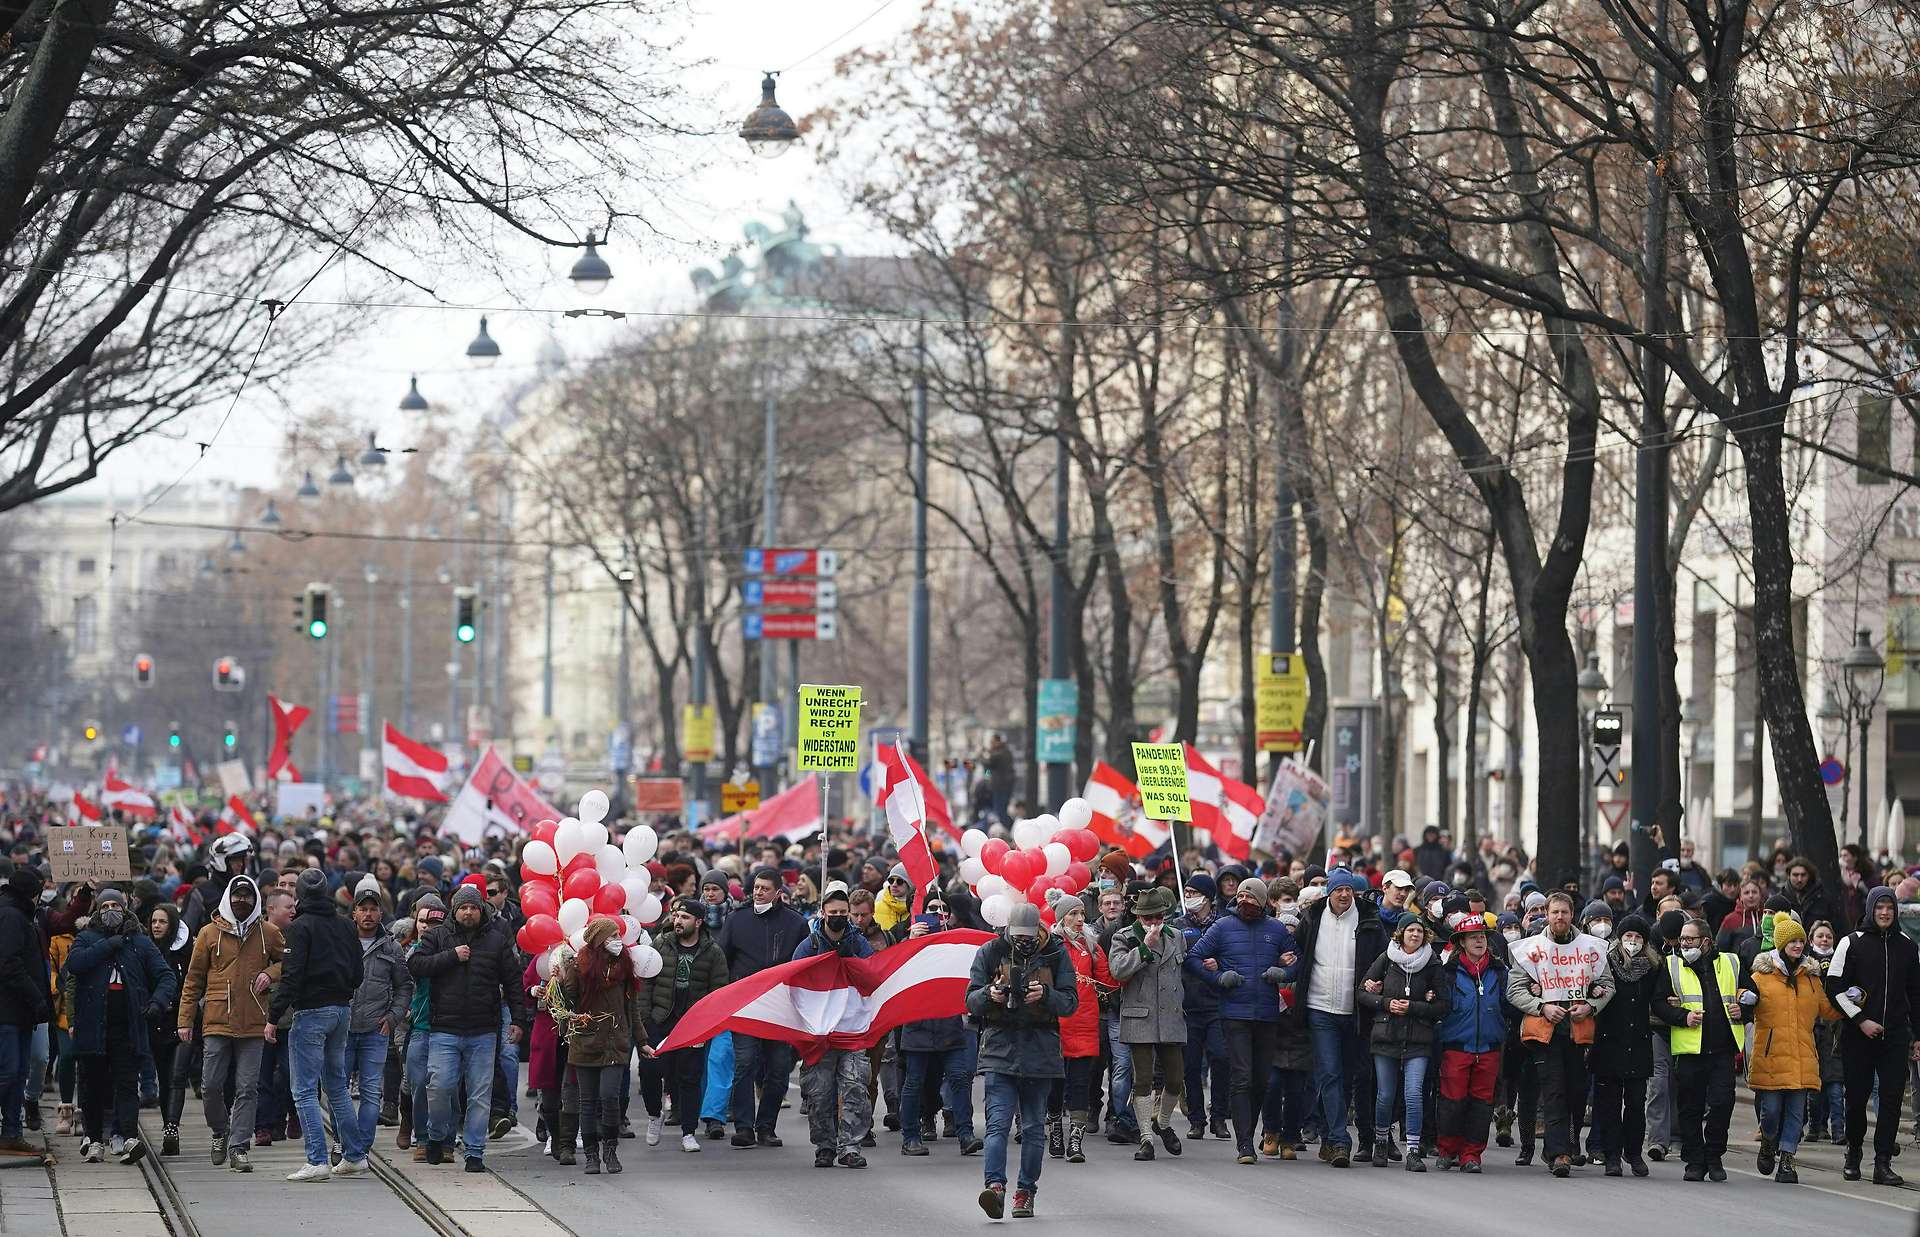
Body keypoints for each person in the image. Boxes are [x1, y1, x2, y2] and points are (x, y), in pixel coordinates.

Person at [966, 900, 1075, 1219]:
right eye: (1018, 936)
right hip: (1000, 1048)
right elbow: (970, 999)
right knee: (996, 1125)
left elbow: (1070, 1002)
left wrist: (1046, 995)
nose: (1023, 941)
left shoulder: (1056, 953)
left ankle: (1026, 1191)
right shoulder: (989, 952)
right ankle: (995, 1188)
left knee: (1032, 1127)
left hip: (1040, 1050)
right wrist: (991, 994)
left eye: (1029, 936)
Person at [408, 882, 524, 1172]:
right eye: (463, 908)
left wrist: (519, 1020)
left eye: (473, 907)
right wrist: (451, 956)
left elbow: (513, 982)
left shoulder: (496, 940)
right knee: (439, 1086)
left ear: (481, 909)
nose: (468, 913)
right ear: (454, 910)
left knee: (479, 1094)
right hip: (444, 1028)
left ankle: (474, 1151)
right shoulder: (438, 936)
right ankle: (436, 1134)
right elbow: (417, 965)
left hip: (483, 1030)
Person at [1190, 875, 1299, 1165]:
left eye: (1250, 897)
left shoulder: (1275, 930)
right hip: (1234, 1014)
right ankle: (1244, 1145)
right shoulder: (1223, 926)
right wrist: (1218, 978)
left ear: (1262, 901)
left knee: (1261, 1080)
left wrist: (1284, 974)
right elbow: (1193, 957)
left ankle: (1249, 1133)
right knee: (1242, 1078)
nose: (1244, 901)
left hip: (1267, 1015)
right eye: (1240, 896)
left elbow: (1298, 961)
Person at [1505, 890, 1613, 1179]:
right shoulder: (1531, 949)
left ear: (1572, 915)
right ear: (1547, 915)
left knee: (1577, 1092)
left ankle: (1568, 1141)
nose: (1560, 917)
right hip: (1546, 1033)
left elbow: (1607, 985)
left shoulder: (1591, 947)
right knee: (1553, 1091)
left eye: (1565, 912)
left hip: (1578, 1033)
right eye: (1555, 912)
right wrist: (1542, 1007)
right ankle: (1558, 1153)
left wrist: (1590, 1006)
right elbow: (1513, 990)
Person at [178, 874, 281, 1174]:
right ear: (228, 897)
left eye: (247, 897)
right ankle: (220, 1130)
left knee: (247, 1087)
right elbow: (193, 980)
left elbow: (288, 962)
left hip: (253, 1023)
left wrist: (271, 974)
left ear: (255, 900)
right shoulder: (209, 934)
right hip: (217, 1021)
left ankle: (239, 1147)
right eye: (237, 896)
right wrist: (185, 1020)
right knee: (210, 1086)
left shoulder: (269, 933)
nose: (241, 901)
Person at [65, 888, 176, 1165]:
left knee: (127, 1083)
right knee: (93, 1085)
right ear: (98, 911)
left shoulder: (139, 941)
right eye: (106, 906)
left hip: (128, 1026)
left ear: (125, 909)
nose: (111, 910)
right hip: (93, 1026)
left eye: (116, 905)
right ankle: (93, 1139)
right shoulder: (86, 938)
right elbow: (74, 965)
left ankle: (128, 1137)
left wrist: (156, 1004)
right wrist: (108, 944)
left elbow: (165, 976)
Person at [273, 867, 364, 1182]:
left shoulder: (300, 928)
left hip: (311, 1012)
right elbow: (358, 974)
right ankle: (354, 1155)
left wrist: (273, 1016)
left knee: (304, 1090)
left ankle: (316, 1159)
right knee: (337, 1087)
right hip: (341, 1009)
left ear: (299, 895)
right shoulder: (344, 924)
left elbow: (291, 975)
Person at [1825, 885, 1920, 1185]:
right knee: (1856, 1098)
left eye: (1889, 908)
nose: (1884, 913)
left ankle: (1883, 1162)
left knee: (1891, 1100)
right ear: (1870, 909)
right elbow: (1834, 988)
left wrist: (1917, 1035)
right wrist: (1860, 1020)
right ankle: (1853, 1153)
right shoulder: (1851, 943)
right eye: (1879, 907)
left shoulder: (1907, 946)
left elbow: (1916, 994)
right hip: (1858, 1035)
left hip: (1894, 1036)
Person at [1293, 868, 1384, 1167]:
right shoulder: (1313, 918)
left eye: (1349, 890)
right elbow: (1298, 953)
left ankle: (1328, 1135)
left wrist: (1378, 982)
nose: (1344, 895)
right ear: (1328, 893)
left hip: (1356, 1010)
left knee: (1347, 1075)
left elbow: (1384, 960)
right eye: (1338, 890)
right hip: (1320, 1007)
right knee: (1329, 1072)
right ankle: (1340, 1140)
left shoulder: (1369, 920)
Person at [716, 867, 808, 1149]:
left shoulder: (795, 923)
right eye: (756, 887)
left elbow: (803, 963)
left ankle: (766, 1126)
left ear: (778, 893)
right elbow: (723, 958)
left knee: (779, 1067)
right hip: (745, 1005)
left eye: (765, 889)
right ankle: (744, 1126)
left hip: (779, 1006)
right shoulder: (737, 920)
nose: (758, 892)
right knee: (745, 1063)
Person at [1653, 914, 1746, 1182]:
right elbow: (1658, 1003)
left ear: (1705, 941)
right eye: (1682, 939)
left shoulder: (1731, 961)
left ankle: (1714, 1155)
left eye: (1689, 939)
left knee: (1722, 1103)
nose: (1684, 944)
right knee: (1690, 1108)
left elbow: (1750, 993)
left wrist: (1745, 1008)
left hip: (1722, 1049)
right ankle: (1695, 1160)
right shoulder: (1670, 965)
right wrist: (1682, 1016)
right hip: (1690, 1050)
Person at [1746, 913, 1838, 1185]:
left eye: (1801, 940)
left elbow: (1828, 1009)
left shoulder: (1811, 978)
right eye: (1792, 941)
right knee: (1771, 1111)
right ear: (1780, 943)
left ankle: (1787, 1159)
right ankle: (1768, 1141)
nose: (1798, 945)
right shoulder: (1761, 977)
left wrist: (1856, 999)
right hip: (1771, 1056)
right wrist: (1743, 999)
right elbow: (1744, 1002)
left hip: (1802, 1055)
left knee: (1797, 1114)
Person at [791, 884, 875, 1168]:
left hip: (851, 1031)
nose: (838, 916)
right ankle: (824, 1146)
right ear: (823, 913)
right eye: (833, 912)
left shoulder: (859, 944)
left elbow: (871, 978)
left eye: (843, 912)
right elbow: (794, 983)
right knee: (819, 1092)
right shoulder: (808, 946)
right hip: (821, 1034)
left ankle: (850, 1146)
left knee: (854, 1089)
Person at [559, 918, 647, 1176]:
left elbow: (633, 1009)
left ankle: (610, 1149)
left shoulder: (625, 968)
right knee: (588, 1102)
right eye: (611, 937)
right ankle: (591, 1155)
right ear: (599, 942)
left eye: (618, 936)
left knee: (610, 1097)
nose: (617, 941)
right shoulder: (580, 966)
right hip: (586, 1043)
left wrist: (642, 1041)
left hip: (615, 1043)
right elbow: (567, 1000)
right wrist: (560, 980)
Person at [1106, 885, 1187, 1162]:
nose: (1154, 923)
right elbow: (1117, 970)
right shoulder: (1124, 937)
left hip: (1170, 1016)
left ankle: (1162, 1123)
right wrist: (1144, 949)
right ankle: (1146, 1138)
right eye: (1148, 918)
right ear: (1138, 917)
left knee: (1176, 1078)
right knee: (1142, 1079)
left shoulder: (1176, 936)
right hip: (1139, 1015)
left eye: (1158, 918)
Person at [1359, 916, 1446, 1170]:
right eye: (1411, 930)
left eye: (1420, 931)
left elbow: (1443, 1005)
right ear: (1400, 934)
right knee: (1385, 1094)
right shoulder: (1387, 958)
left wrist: (1415, 1006)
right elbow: (1362, 992)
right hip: (1386, 1035)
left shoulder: (1432, 962)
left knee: (1413, 1094)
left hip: (1418, 1037)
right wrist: (1385, 1003)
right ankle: (1381, 1142)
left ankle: (1413, 1150)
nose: (1416, 935)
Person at [647, 895, 728, 1153]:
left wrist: (706, 1024)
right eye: (676, 916)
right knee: (651, 1072)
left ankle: (689, 1132)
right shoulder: (661, 944)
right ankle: (653, 1115)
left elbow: (719, 991)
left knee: (690, 1077)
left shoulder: (713, 952)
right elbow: (646, 982)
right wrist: (646, 1017)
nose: (678, 921)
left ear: (699, 922)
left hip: (692, 1025)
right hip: (660, 1020)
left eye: (685, 917)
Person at [343, 878, 411, 1174]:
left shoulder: (391, 947)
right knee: (338, 1090)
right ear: (354, 913)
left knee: (371, 1092)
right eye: (363, 909)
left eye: (373, 909)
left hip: (375, 1029)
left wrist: (393, 1017)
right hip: (342, 1029)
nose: (368, 914)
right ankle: (345, 1145)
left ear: (381, 914)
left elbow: (404, 987)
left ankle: (360, 1148)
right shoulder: (342, 941)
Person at [1431, 912, 1504, 1172]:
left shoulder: (1498, 971)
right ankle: (1447, 1150)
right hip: (1456, 1047)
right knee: (1452, 1101)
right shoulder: (1448, 973)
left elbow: (1509, 1005)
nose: (1479, 941)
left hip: (1489, 1048)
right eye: (1473, 937)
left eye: (1482, 936)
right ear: (1461, 941)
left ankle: (1471, 1155)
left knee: (1481, 1105)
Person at [1041, 895, 1109, 1164]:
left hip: (1084, 1025)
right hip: (1055, 1027)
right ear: (1061, 918)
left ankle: (1076, 1143)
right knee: (1056, 1085)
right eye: (1073, 914)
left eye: (1082, 914)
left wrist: (1139, 954)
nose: (1080, 919)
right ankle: (1056, 1128)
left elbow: (1109, 978)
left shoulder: (1091, 947)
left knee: (1080, 1085)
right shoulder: (1049, 947)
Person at [1589, 912, 1656, 1177]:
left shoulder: (1652, 968)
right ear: (1619, 938)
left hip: (1638, 1044)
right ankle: (1612, 1155)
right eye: (1628, 936)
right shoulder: (1604, 964)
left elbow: (1658, 999)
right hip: (1609, 1044)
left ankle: (1634, 1152)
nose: (1632, 941)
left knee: (1637, 1104)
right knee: (1609, 1104)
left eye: (1638, 937)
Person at [1174, 873, 1229, 1141]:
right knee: (1190, 1066)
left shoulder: (1224, 925)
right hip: (1188, 1006)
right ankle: (1197, 1119)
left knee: (1220, 1059)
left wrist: (1221, 966)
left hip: (1218, 1004)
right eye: (1186, 893)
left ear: (1208, 897)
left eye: (1194, 893)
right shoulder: (1177, 926)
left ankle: (1219, 1116)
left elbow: (1234, 957)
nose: (1189, 898)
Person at [0, 866, 48, 1154]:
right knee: (9, 1071)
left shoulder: (15, 913)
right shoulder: (11, 916)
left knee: (17, 1073)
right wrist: (36, 997)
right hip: (8, 1010)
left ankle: (11, 1132)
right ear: (33, 895)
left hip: (18, 1012)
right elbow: (9, 965)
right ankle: (10, 1130)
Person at [143, 902, 191, 1157]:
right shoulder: (146, 951)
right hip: (155, 1022)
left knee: (176, 1076)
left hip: (181, 1022)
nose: (157, 926)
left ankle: (172, 1127)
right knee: (164, 1077)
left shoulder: (186, 951)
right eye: (153, 922)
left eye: (162, 921)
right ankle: (167, 1125)